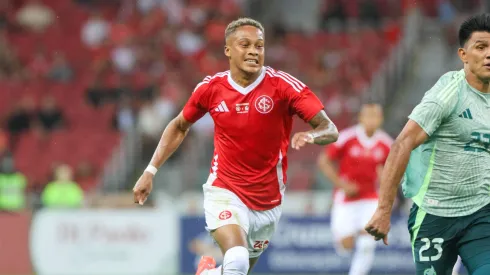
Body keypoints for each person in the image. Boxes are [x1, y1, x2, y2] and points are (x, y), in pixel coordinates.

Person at [132, 17, 339, 275]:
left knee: (237, 270)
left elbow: (330, 128)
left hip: (268, 202)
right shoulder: (211, 89)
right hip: (225, 191)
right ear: (228, 50)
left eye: (259, 46)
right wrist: (150, 171)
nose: (254, 51)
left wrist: (312, 136)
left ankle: (208, 273)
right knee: (238, 260)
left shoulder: (283, 86)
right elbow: (179, 125)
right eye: (245, 44)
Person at [365, 14, 490, 275]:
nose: (489, 54)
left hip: (482, 213)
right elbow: (402, 143)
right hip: (434, 215)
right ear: (463, 54)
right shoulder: (448, 92)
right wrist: (383, 210)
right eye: (481, 47)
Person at [317, 102, 392, 275]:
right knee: (346, 245)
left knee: (367, 244)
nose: (371, 120)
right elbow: (324, 161)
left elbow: (392, 172)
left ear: (380, 119)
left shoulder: (386, 143)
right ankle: (349, 238)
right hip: (345, 199)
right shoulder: (347, 137)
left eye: (375, 116)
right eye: (368, 115)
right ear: (360, 118)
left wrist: (386, 185)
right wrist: (342, 184)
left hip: (371, 198)